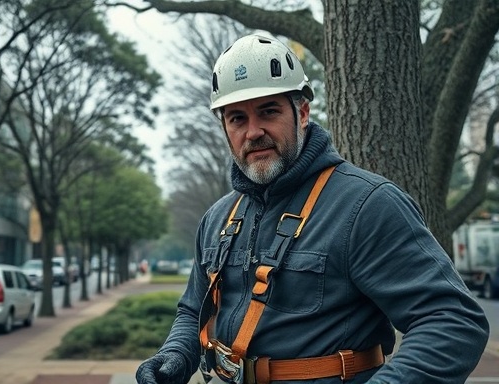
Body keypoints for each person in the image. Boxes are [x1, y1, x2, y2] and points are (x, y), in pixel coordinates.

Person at [136, 34, 489, 384]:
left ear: (302, 112)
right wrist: (176, 356)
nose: (253, 131)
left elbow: (452, 320)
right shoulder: (218, 219)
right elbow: (192, 309)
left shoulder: (367, 205)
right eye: (237, 118)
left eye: (269, 111)